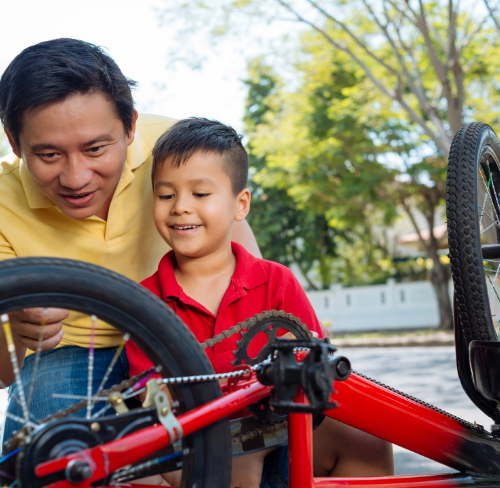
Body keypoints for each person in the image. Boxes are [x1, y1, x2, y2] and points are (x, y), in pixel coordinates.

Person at [0, 38, 260, 444]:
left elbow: (251, 282)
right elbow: (3, 372)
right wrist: (16, 332)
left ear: (131, 126)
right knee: (48, 444)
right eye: (49, 155)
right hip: (68, 357)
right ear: (15, 144)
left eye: (96, 148)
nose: (76, 177)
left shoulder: (181, 149)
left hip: (190, 337)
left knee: (354, 437)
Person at [125, 118, 394, 487]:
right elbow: (151, 404)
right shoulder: (144, 300)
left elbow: (317, 376)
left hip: (281, 440)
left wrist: (255, 440)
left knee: (368, 438)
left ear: (241, 205)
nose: (180, 207)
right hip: (190, 450)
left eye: (200, 194)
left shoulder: (276, 281)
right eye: (165, 194)